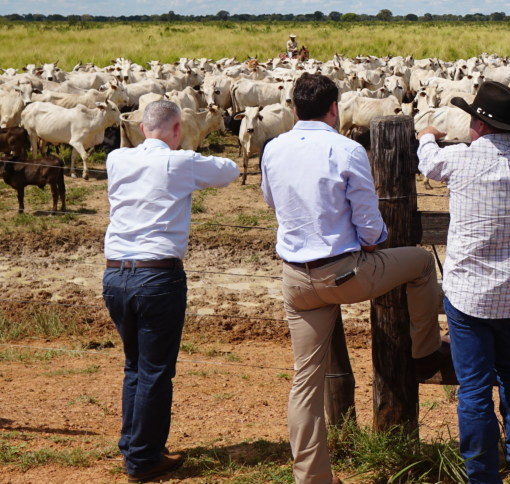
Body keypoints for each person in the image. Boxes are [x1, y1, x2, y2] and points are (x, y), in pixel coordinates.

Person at [261, 73, 444, 484]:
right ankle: (425, 351)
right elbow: (369, 223)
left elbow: (271, 199)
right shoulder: (345, 149)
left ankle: (311, 478)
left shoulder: (273, 148)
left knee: (305, 380)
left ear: (292, 108)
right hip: (347, 273)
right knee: (419, 264)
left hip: (296, 280)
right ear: (334, 108)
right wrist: (376, 239)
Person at [417, 82, 510, 484]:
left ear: (479, 124)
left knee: (473, 386)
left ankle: (482, 473)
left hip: (468, 294)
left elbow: (428, 161)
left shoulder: (460, 160)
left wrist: (425, 134)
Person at [103, 99, 239, 482]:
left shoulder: (117, 159)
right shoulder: (180, 162)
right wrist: (189, 152)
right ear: (177, 129)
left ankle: (133, 444)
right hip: (157, 276)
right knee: (156, 369)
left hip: (115, 274)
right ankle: (145, 459)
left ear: (143, 128)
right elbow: (229, 171)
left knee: (135, 364)